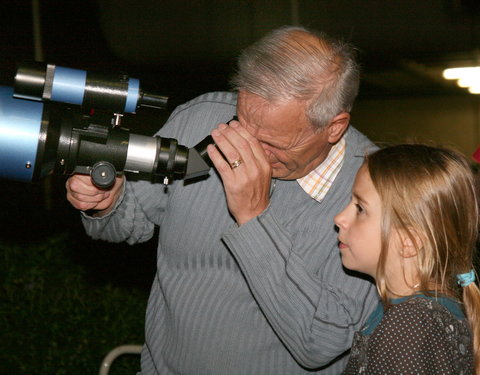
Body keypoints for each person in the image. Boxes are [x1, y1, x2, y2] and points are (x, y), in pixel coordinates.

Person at [66, 26, 379, 374]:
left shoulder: (376, 191)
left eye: (273, 143)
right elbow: (128, 220)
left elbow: (321, 342)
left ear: (334, 127)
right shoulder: (200, 120)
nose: (248, 152)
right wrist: (108, 201)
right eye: (242, 124)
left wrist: (254, 218)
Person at [334, 144, 479, 374]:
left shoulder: (408, 323)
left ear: (408, 241)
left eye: (360, 208)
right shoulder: (429, 312)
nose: (339, 217)